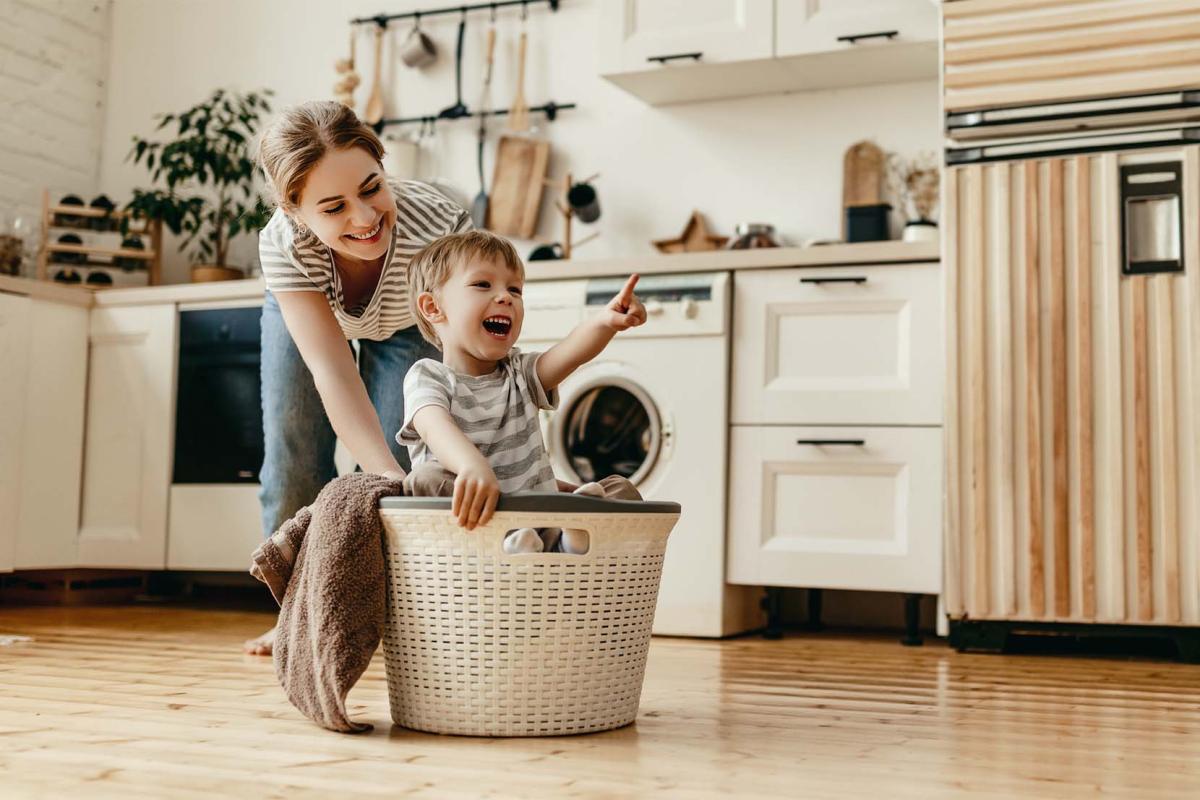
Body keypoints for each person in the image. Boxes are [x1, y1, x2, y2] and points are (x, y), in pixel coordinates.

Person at [244, 101, 470, 656]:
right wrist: (383, 478)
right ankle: (298, 615)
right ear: (297, 213)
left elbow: (464, 348)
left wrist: (407, 474)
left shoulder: (440, 224)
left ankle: (398, 618)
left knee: (410, 457)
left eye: (372, 188)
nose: (365, 218)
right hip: (314, 309)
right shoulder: (284, 245)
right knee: (296, 449)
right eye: (334, 207)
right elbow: (331, 371)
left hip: (409, 321)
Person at [397, 230, 648, 552]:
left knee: (619, 489)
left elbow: (570, 352)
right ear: (433, 307)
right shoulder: (427, 376)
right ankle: (524, 543)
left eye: (514, 289)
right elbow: (435, 428)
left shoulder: (519, 372)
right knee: (423, 481)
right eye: (483, 284)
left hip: (540, 515)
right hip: (475, 524)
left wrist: (604, 323)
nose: (506, 297)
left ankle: (569, 539)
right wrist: (472, 467)